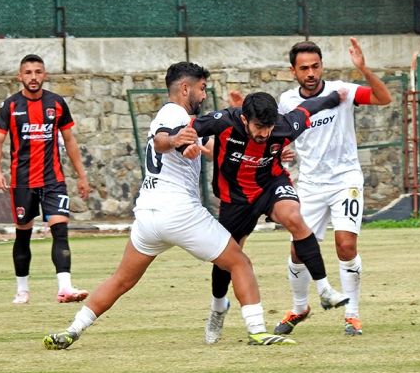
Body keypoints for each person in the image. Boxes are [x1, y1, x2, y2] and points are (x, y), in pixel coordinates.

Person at [43, 62, 295, 350]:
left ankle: (73, 330)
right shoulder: (173, 112)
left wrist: (267, 153)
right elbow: (164, 139)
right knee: (240, 263)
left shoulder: (182, 121)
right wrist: (175, 140)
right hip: (179, 212)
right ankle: (257, 330)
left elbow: (205, 150)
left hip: (149, 215)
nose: (203, 96)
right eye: (201, 89)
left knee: (121, 280)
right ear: (185, 88)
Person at [190, 89, 350, 344]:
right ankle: (218, 307)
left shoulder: (284, 126)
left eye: (269, 127)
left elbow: (310, 107)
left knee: (295, 218)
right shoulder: (222, 121)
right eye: (259, 127)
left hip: (270, 185)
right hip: (235, 198)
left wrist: (334, 97)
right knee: (225, 259)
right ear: (244, 119)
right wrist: (181, 141)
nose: (265, 133)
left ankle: (324, 289)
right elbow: (187, 127)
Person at [275, 38, 392, 336]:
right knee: (298, 252)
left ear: (322, 66)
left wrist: (363, 69)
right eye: (304, 68)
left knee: (346, 245)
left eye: (315, 66)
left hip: (345, 181)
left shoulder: (342, 91)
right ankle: (300, 308)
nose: (311, 73)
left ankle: (352, 315)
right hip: (311, 185)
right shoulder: (287, 101)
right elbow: (281, 137)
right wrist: (281, 151)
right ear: (293, 71)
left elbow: (383, 98)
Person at [0, 54, 91, 305]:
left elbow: (69, 141)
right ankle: (22, 290)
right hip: (22, 183)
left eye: (38, 72)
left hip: (53, 180)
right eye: (28, 72)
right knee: (23, 235)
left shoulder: (56, 103)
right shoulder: (11, 106)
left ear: (44, 75)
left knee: (60, 230)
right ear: (20, 76)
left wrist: (82, 176)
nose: (33, 77)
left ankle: (65, 288)